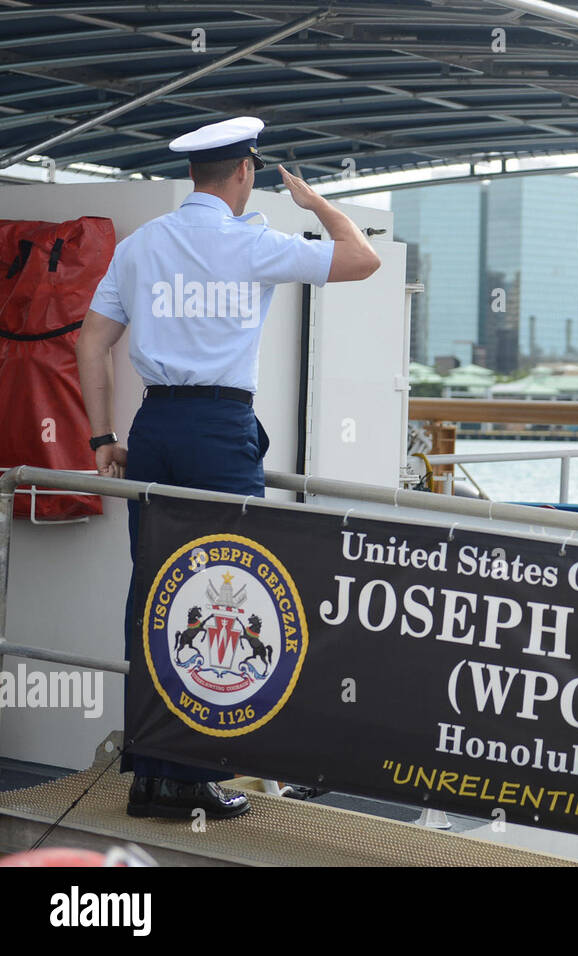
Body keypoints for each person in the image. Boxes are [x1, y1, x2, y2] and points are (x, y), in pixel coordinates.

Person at [75, 116, 381, 820]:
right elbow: (363, 259)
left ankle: (152, 773)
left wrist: (100, 440)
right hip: (220, 430)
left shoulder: (141, 245)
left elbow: (92, 344)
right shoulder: (255, 243)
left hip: (154, 430)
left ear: (192, 175)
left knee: (155, 590)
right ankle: (194, 777)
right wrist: (316, 205)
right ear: (244, 172)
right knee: (227, 593)